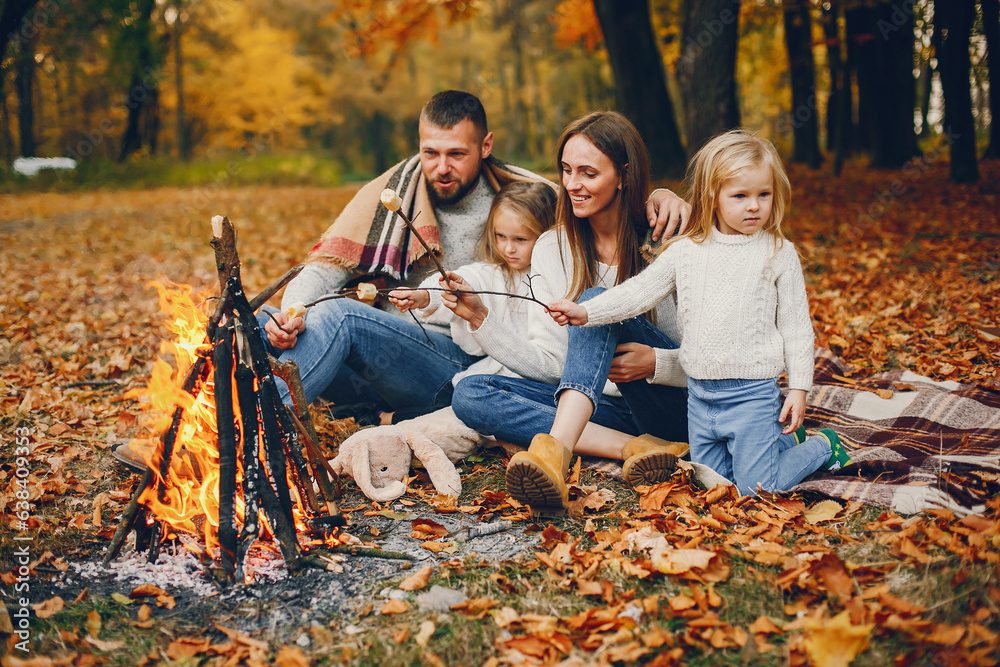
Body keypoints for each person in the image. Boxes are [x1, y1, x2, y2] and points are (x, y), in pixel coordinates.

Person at [261, 92, 688, 417]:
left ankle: (264, 432)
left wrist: (659, 198)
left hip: (464, 354)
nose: (442, 167)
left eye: (456, 154)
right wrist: (290, 313)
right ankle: (226, 422)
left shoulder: (520, 196)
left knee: (339, 318)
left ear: (485, 146)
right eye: (430, 153)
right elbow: (323, 271)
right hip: (383, 353)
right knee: (256, 322)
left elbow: (596, 203)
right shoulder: (389, 197)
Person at [547, 129, 852, 497]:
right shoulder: (686, 251)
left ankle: (822, 447)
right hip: (700, 398)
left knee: (756, 489)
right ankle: (780, 447)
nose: (753, 206)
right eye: (740, 196)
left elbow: (797, 328)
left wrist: (799, 388)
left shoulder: (777, 253)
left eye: (763, 195)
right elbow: (638, 293)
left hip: (751, 396)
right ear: (713, 196)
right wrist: (585, 312)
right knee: (712, 487)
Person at [450, 111, 692, 511]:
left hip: (672, 402)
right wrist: (480, 320)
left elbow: (718, 359)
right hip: (601, 411)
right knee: (471, 393)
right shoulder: (552, 249)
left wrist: (656, 363)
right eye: (566, 170)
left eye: (588, 173)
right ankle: (638, 448)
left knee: (594, 300)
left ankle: (556, 451)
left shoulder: (668, 236)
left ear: (624, 175)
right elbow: (552, 366)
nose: (573, 185)